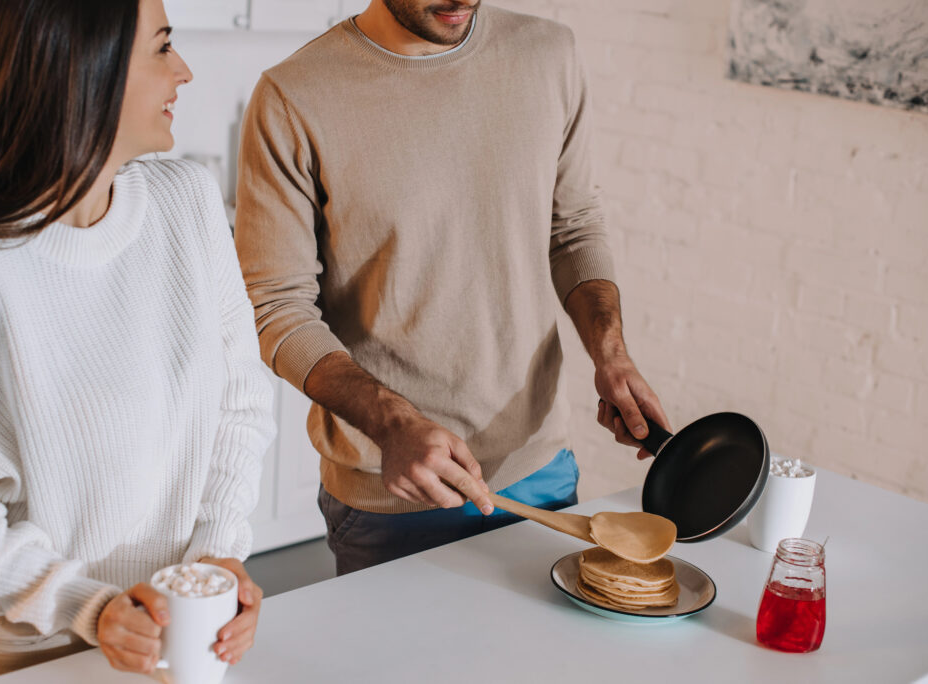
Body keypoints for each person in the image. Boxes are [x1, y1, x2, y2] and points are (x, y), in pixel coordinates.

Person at [0, 0, 275, 681]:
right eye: (162, 47)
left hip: (184, 633)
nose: (184, 70)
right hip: (30, 653)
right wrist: (90, 607)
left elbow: (240, 405)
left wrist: (219, 559)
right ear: (85, 71)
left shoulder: (189, 202)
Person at [236, 0, 669, 576]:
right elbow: (278, 310)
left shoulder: (548, 54)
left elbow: (572, 226)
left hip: (538, 465)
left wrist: (609, 353)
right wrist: (394, 423)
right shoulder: (293, 97)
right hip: (395, 493)